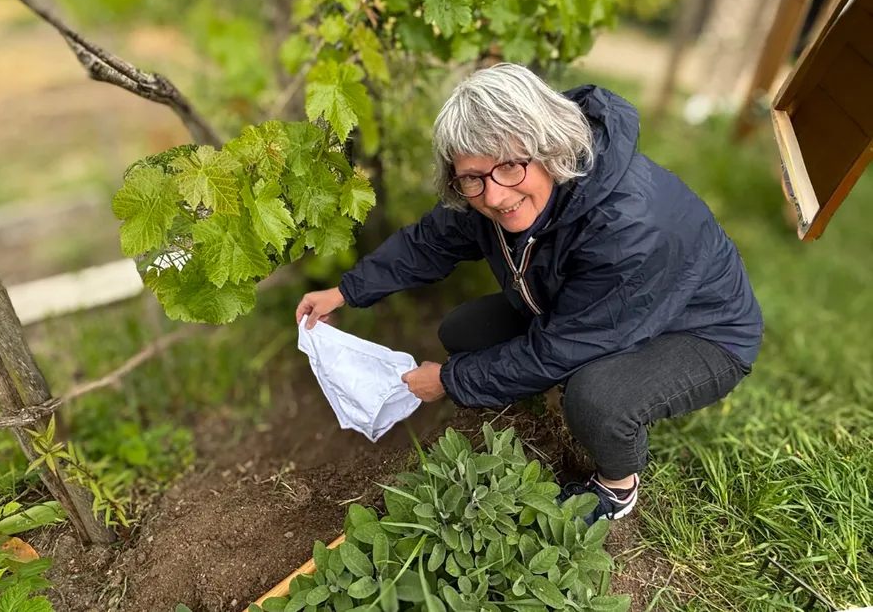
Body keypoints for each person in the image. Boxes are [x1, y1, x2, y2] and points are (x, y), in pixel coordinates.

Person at [295, 63, 764, 524]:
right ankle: (551, 401)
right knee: (464, 332)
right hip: (586, 309)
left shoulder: (629, 226)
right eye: (472, 178)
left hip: (700, 331)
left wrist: (450, 381)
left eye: (511, 169)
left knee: (596, 400)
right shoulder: (482, 189)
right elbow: (428, 243)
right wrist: (345, 292)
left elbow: (559, 349)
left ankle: (617, 487)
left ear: (551, 149)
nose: (495, 196)